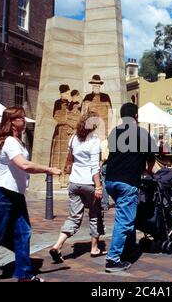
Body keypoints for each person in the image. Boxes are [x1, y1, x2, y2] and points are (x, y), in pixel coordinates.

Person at [0, 106, 61, 282]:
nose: (24, 120)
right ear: (13, 122)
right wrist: (49, 169)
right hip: (2, 193)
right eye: (21, 118)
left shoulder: (18, 142)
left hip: (16, 194)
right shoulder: (9, 142)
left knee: (23, 232)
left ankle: (24, 274)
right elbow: (24, 165)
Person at [104, 103, 156, 273]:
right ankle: (113, 259)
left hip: (111, 181)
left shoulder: (114, 132)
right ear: (136, 117)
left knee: (126, 215)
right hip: (127, 182)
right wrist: (148, 171)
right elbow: (151, 159)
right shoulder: (141, 133)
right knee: (124, 220)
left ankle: (129, 247)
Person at [49, 112, 106, 262]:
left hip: (74, 182)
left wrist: (67, 171)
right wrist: (99, 187)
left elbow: (69, 160)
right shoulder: (94, 141)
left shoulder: (73, 138)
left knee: (74, 217)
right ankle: (94, 248)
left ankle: (57, 245)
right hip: (89, 183)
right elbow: (95, 167)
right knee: (95, 215)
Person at [50, 84, 71, 187]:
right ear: (62, 93)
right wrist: (65, 121)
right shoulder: (57, 103)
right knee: (57, 154)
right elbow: (56, 117)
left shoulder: (70, 104)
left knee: (67, 155)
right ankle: (55, 176)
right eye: (67, 93)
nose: (68, 95)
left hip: (68, 132)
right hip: (59, 132)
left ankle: (64, 175)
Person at [82, 75, 112, 140]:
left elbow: (110, 114)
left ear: (100, 86)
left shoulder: (106, 97)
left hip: (103, 129)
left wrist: (109, 129)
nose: (96, 87)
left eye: (98, 85)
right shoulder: (87, 97)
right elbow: (83, 114)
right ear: (92, 86)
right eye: (94, 85)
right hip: (91, 130)